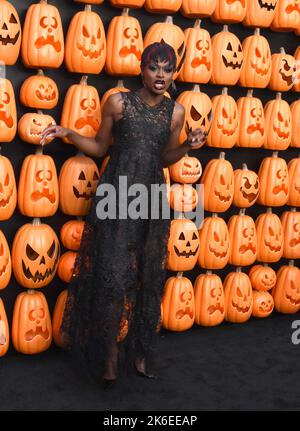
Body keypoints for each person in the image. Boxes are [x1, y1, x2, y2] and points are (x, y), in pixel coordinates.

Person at [40, 42, 207, 390]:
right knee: (113, 278)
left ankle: (140, 354)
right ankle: (111, 358)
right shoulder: (117, 102)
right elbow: (101, 148)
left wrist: (188, 146)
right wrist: (70, 134)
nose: (160, 75)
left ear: (173, 73)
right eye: (153, 68)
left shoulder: (176, 113)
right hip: (116, 197)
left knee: (149, 278)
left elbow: (164, 157)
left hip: (150, 199)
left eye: (167, 69)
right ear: (141, 70)